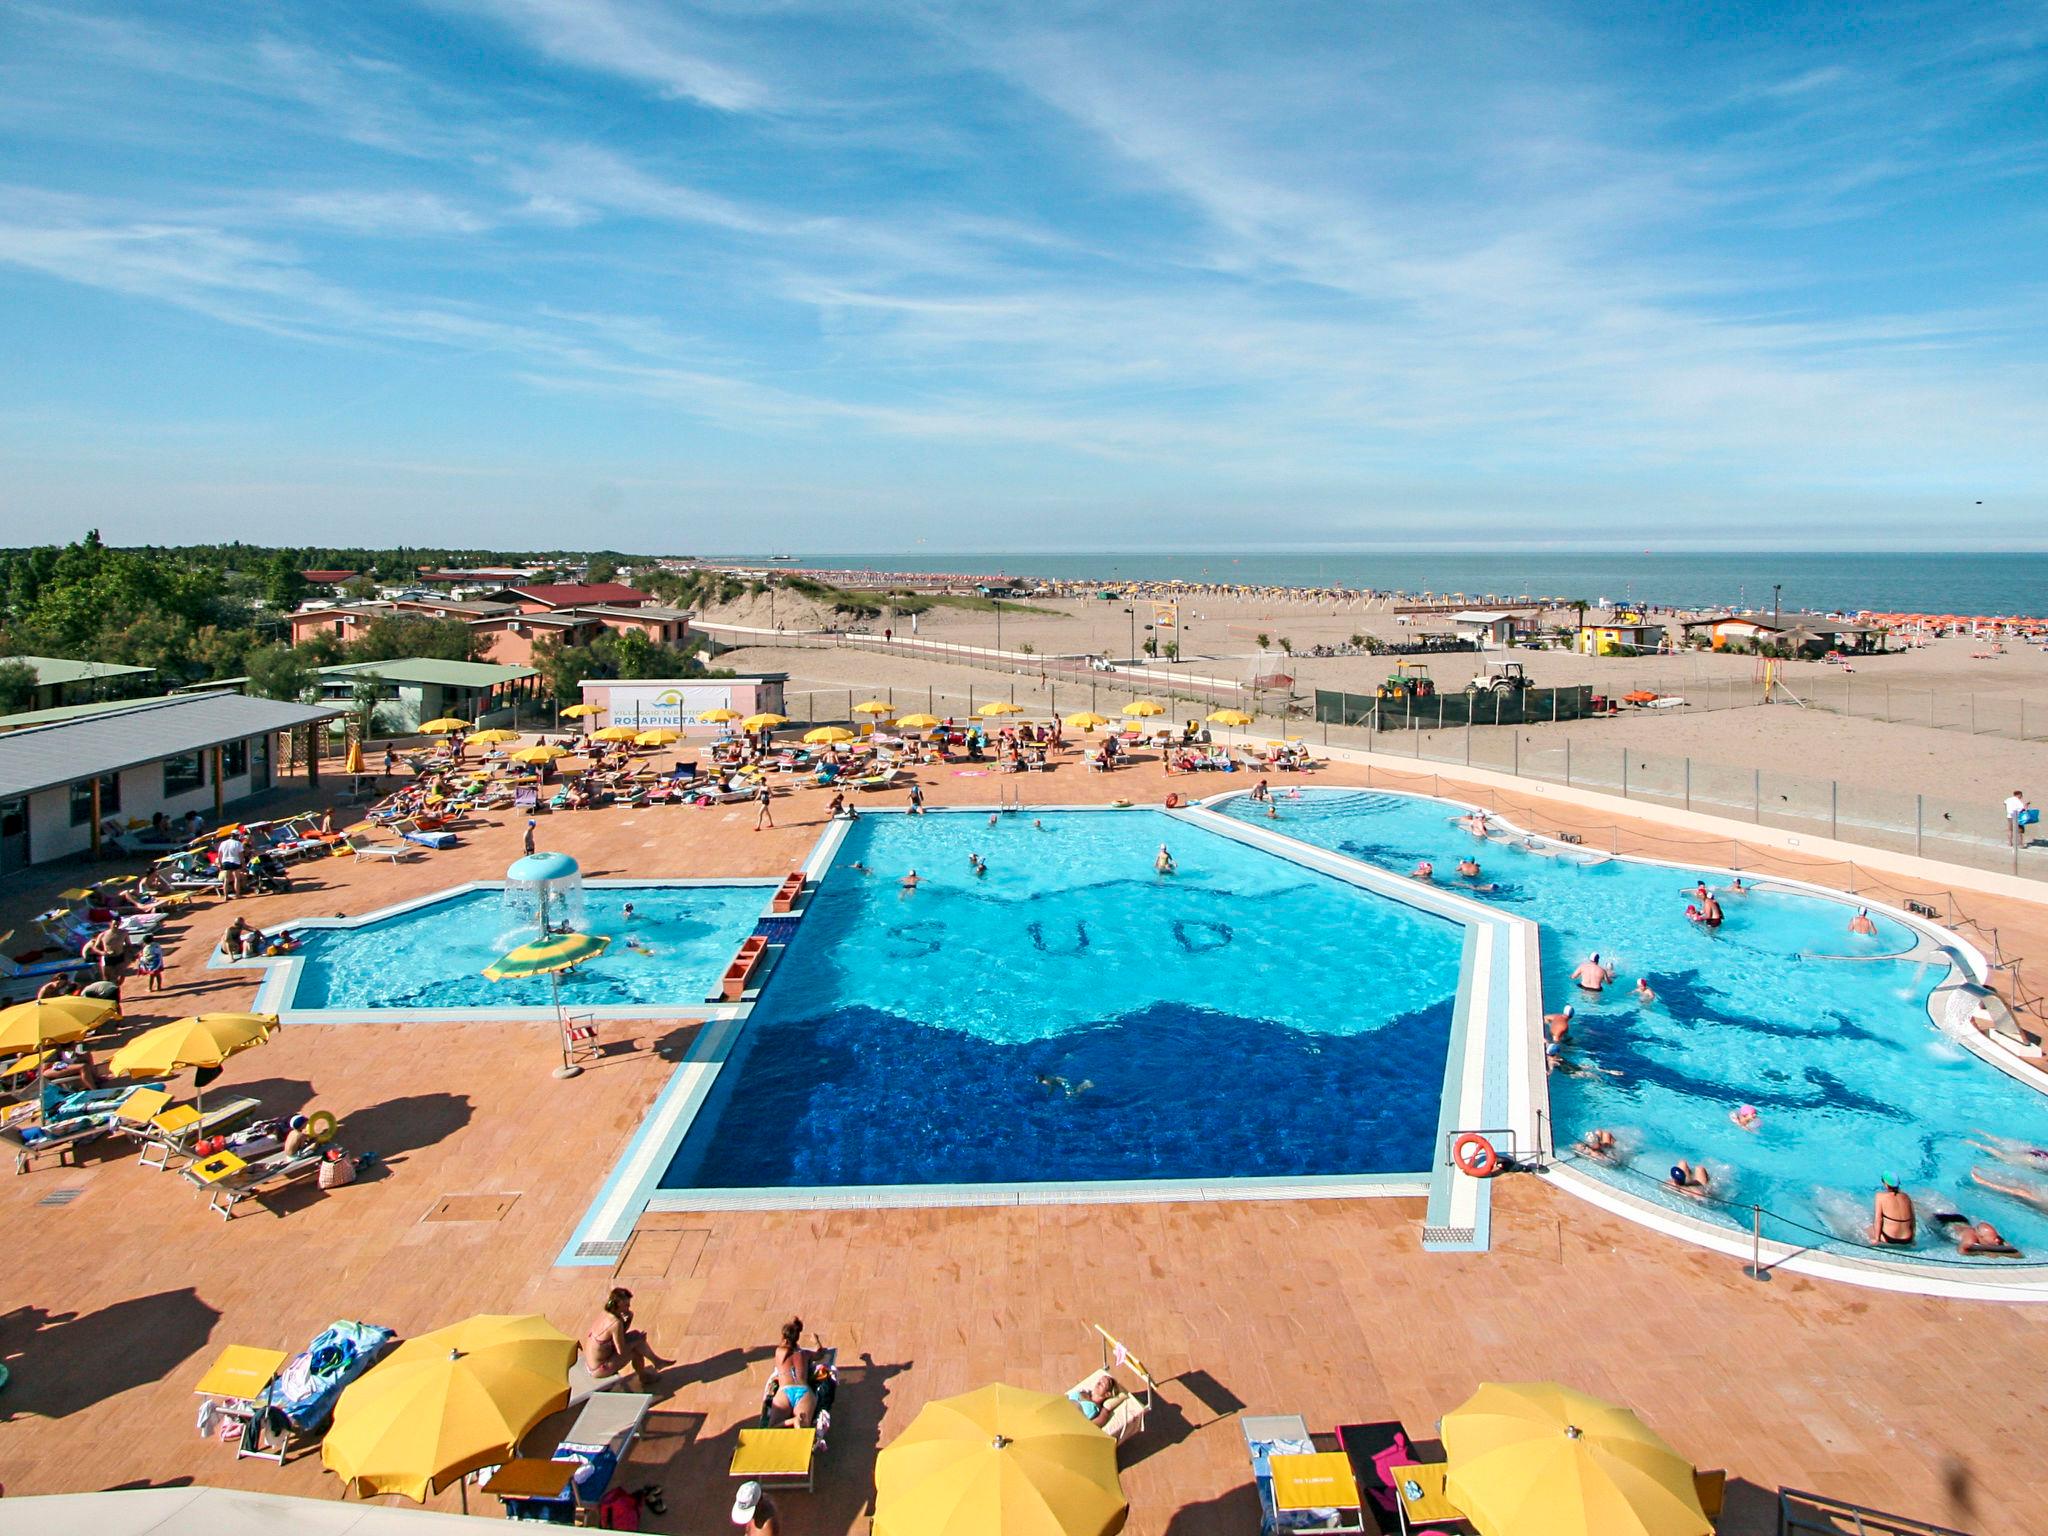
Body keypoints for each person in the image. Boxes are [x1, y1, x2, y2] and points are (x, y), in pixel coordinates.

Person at [582, 1287, 662, 1389]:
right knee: (636, 1349)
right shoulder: (615, 1323)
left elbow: (619, 1336)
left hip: (594, 1362)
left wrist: (629, 1320)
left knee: (635, 1335)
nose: (629, 1307)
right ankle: (645, 1374)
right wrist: (637, 1342)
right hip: (599, 1369)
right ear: (618, 1305)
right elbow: (621, 1350)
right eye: (626, 1305)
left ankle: (656, 1362)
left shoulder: (606, 1314)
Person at [771, 1317, 817, 1427]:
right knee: (804, 1427)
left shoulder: (780, 1352)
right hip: (804, 1391)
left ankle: (791, 1421)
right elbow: (820, 1353)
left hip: (785, 1391)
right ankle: (797, 1422)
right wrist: (816, 1342)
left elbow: (785, 1346)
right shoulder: (805, 1354)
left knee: (773, 1427)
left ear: (784, 1338)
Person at [1872, 1176, 1916, 1245]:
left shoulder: (1880, 1196)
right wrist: (1913, 1239)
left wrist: (1876, 1239)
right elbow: (1913, 1220)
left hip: (1890, 1238)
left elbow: (1878, 1219)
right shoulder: (1906, 1196)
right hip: (1907, 1239)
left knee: (1866, 1229)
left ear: (1886, 1184)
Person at [216, 829, 248, 899]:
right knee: (236, 878)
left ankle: (225, 896)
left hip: (225, 862)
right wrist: (243, 864)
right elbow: (241, 855)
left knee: (226, 879)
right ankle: (237, 895)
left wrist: (220, 863)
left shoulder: (223, 843)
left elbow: (219, 854)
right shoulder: (238, 843)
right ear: (236, 836)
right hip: (235, 862)